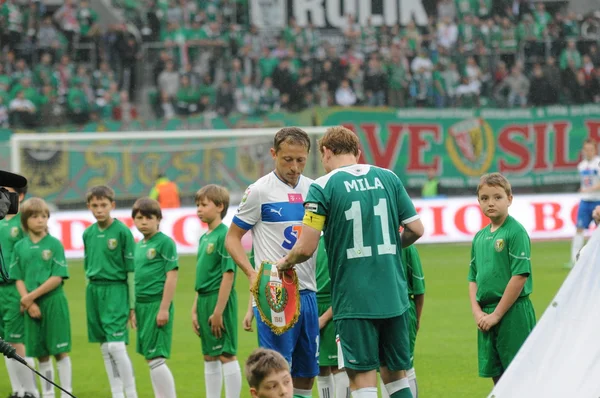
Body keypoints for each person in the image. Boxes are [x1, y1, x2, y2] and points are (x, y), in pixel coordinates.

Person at [277, 126, 425, 398]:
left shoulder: (322, 186)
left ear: (327, 151)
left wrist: (284, 263)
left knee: (361, 380)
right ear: (357, 153)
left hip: (354, 300)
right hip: (393, 296)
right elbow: (416, 229)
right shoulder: (389, 178)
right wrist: (390, 248)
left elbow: (307, 247)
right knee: (396, 378)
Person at [225, 127, 319, 398]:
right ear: (273, 154)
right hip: (274, 295)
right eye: (287, 159)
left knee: (305, 374)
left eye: (300, 160)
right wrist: (251, 273)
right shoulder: (259, 191)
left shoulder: (314, 190)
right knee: (276, 376)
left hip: (309, 293)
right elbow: (232, 239)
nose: (294, 167)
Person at [468, 172, 536, 385]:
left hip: (512, 313)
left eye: (497, 197)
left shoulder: (515, 232)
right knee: (498, 378)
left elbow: (519, 276)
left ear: (510, 199)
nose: (491, 203)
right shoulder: (479, 237)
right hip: (487, 316)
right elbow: (472, 278)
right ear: (478, 201)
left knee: (519, 377)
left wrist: (497, 315)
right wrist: (478, 312)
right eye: (484, 198)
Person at [10, 198, 73, 398]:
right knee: (41, 353)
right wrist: (28, 302)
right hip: (31, 305)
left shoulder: (54, 244)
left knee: (60, 351)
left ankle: (66, 393)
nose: (40, 220)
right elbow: (17, 277)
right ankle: (48, 394)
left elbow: (57, 277)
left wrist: (29, 299)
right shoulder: (20, 247)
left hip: (53, 302)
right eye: (35, 216)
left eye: (44, 216)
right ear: (25, 220)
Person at [83, 186, 138, 398]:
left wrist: (132, 304)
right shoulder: (88, 233)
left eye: (103, 205)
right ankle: (117, 393)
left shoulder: (122, 232)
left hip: (116, 290)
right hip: (94, 292)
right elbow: (87, 267)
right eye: (95, 206)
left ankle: (131, 393)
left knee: (116, 346)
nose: (99, 210)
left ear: (112, 206)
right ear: (89, 207)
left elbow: (131, 271)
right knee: (105, 347)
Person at [191, 184, 242, 398]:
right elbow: (202, 277)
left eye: (204, 205)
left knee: (225, 354)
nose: (199, 209)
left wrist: (219, 311)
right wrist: (195, 308)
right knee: (209, 355)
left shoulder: (225, 236)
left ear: (220, 206)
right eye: (197, 205)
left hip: (219, 301)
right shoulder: (204, 237)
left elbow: (228, 275)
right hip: (203, 300)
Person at [132, 197, 178, 398]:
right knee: (150, 358)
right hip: (141, 306)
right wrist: (134, 308)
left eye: (149, 218)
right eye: (139, 218)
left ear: (158, 219)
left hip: (156, 304)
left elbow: (171, 275)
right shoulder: (139, 245)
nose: (143, 222)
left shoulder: (165, 243)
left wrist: (164, 308)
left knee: (156, 357)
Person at [0, 184, 38, 398]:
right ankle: (17, 390)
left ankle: (30, 391)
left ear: (20, 196)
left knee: (17, 341)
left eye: (6, 191)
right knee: (4, 342)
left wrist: (29, 295)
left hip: (15, 288)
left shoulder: (24, 222)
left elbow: (31, 258)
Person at [381, 244, 425, 398]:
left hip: (403, 310)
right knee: (383, 366)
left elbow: (419, 290)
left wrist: (416, 320)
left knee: (404, 366)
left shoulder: (407, 247)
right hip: (377, 310)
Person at [315, 236, 350, 398]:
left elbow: (346, 287)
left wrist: (324, 318)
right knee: (319, 366)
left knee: (339, 366)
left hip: (334, 305)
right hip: (310, 304)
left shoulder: (336, 237)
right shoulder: (306, 237)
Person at [570, 139, 600, 268]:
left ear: (595, 150)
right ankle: (575, 260)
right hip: (585, 201)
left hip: (597, 200)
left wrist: (588, 189)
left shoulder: (598, 163)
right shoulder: (581, 165)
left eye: (591, 149)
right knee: (579, 228)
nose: (588, 152)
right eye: (586, 149)